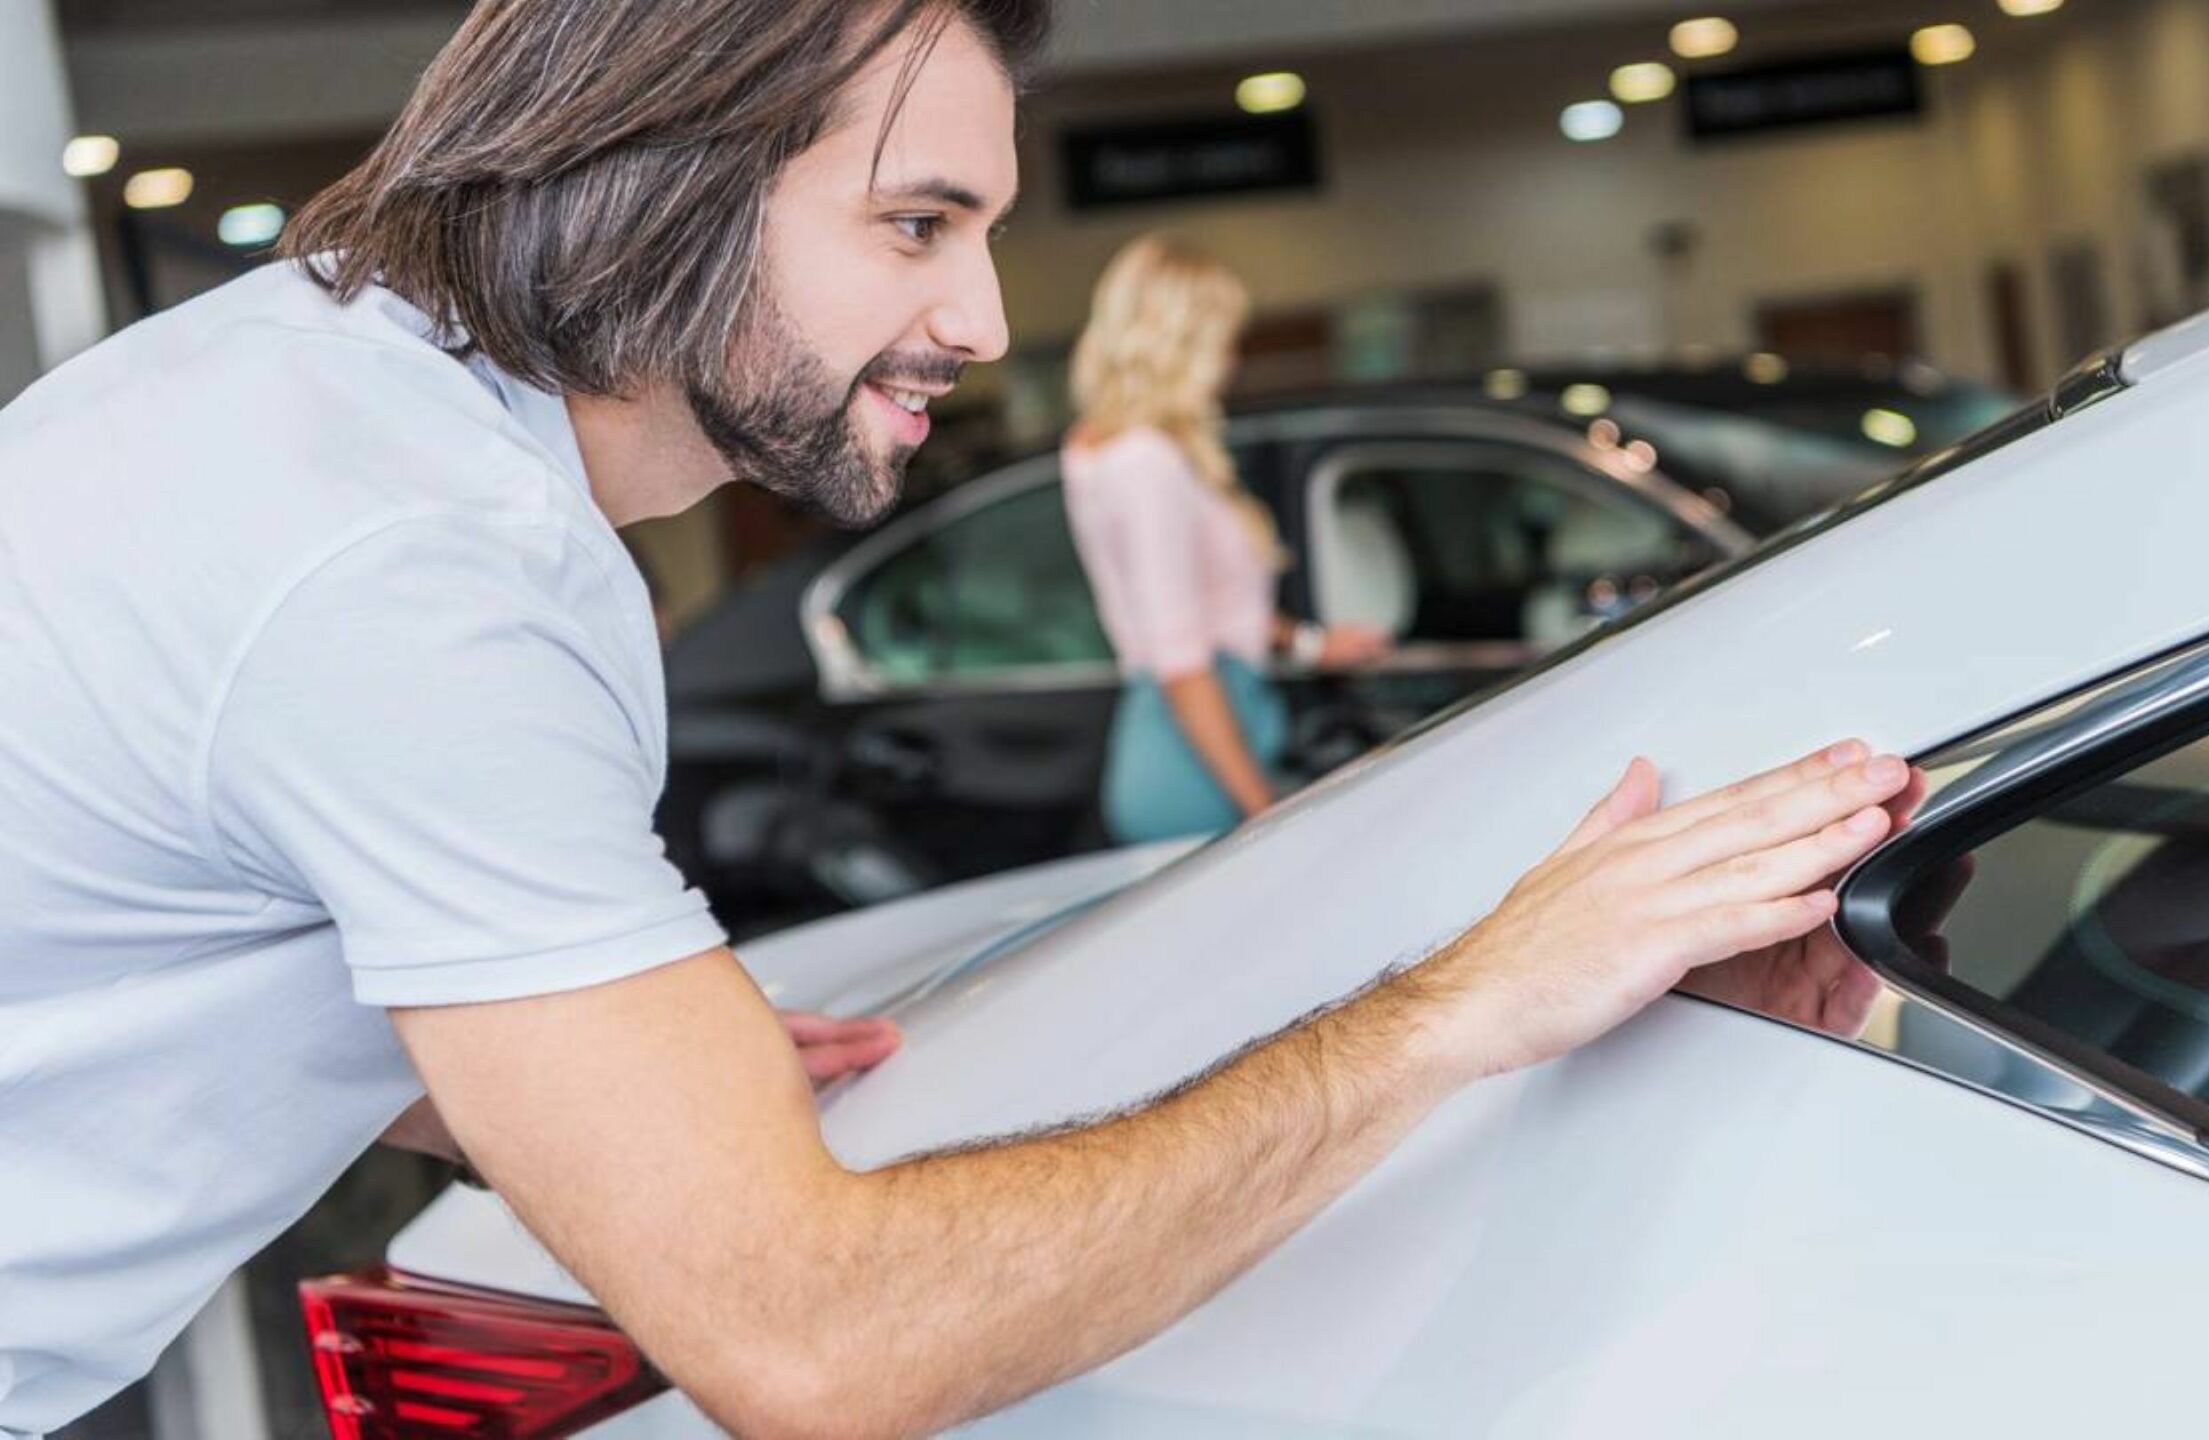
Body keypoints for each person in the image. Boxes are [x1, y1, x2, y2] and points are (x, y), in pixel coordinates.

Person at [0, 2, 1922, 1435]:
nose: (988, 321)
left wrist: (563, 1064)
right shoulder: (414, 572)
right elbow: (815, 1351)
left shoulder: (299, 384)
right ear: (657, 179)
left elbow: (132, 919)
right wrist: (1472, 1005)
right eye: (917, 224)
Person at [1062, 236, 1387, 841]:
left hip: (1196, 733)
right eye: (1222, 339)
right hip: (1194, 754)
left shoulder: (1099, 446)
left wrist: (1313, 646)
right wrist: (1262, 807)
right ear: (1181, 341)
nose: (1231, 360)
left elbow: (1208, 608)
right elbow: (1183, 661)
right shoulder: (1144, 461)